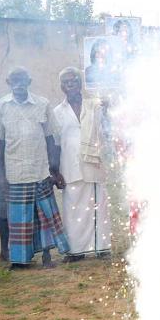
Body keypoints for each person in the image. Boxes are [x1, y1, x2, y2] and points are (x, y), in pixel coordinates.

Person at [0, 67, 70, 268]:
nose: (19, 84)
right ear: (8, 82)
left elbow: (51, 139)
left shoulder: (42, 104)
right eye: (15, 80)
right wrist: (1, 176)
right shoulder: (1, 106)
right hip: (15, 172)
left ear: (29, 81)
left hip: (40, 170)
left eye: (22, 80)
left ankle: (47, 256)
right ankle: (19, 260)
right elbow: (0, 143)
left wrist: (54, 170)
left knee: (44, 216)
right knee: (19, 220)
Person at [53, 67, 112, 262]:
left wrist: (107, 107)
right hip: (69, 167)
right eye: (67, 82)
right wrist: (54, 171)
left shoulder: (94, 105)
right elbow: (55, 143)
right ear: (62, 87)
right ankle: (76, 251)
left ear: (80, 84)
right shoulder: (57, 112)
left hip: (93, 162)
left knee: (98, 205)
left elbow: (106, 126)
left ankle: (101, 247)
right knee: (73, 209)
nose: (71, 85)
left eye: (74, 81)